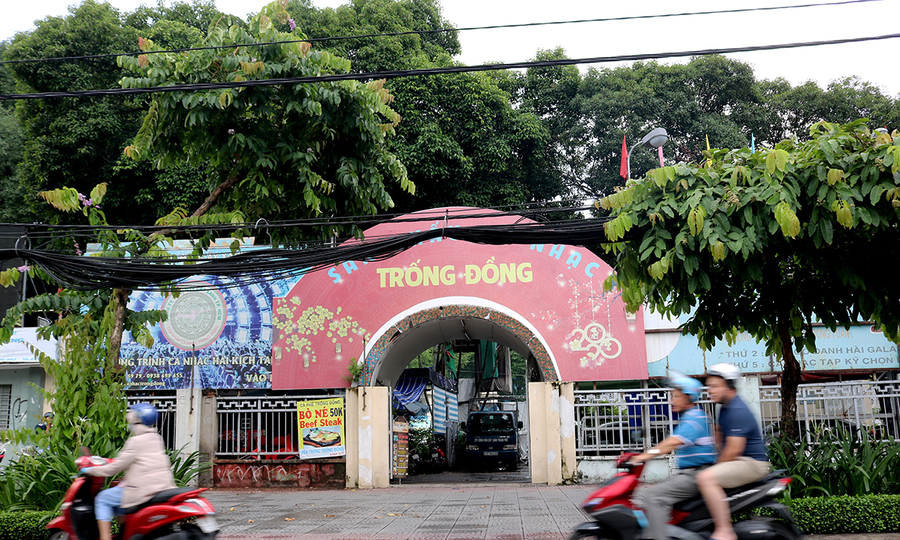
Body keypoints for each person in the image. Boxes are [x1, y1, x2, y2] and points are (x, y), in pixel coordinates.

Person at [631, 371, 716, 540]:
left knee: (652, 496)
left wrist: (642, 457)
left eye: (675, 396)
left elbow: (671, 442)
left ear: (688, 397)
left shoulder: (695, 417)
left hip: (696, 475)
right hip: (690, 473)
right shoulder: (690, 416)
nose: (671, 401)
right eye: (671, 396)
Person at [696, 363, 771, 540]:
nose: (710, 391)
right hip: (739, 461)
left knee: (705, 478)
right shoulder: (725, 407)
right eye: (709, 386)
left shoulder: (737, 409)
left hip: (752, 463)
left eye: (715, 386)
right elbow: (721, 440)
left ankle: (724, 531)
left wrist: (715, 467)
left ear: (729, 386)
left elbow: (733, 450)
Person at [82, 403, 176, 540]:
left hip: (142, 490)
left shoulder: (135, 441)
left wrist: (91, 470)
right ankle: (124, 534)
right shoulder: (157, 438)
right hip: (161, 487)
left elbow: (114, 468)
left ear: (136, 420)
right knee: (117, 498)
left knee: (103, 498)